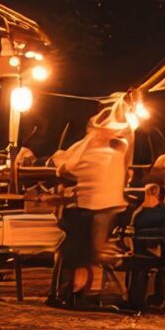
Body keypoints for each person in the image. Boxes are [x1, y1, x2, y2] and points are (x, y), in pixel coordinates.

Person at [54, 114, 131, 308]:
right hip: (88, 207)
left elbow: (65, 169)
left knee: (91, 251)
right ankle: (79, 292)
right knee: (87, 252)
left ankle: (81, 291)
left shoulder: (112, 152)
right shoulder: (90, 151)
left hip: (101, 206)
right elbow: (64, 168)